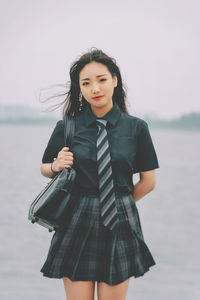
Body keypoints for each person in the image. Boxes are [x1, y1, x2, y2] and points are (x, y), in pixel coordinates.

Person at [40, 47, 159, 300]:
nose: (95, 88)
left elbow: (148, 182)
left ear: (115, 81)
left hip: (120, 222)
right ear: (79, 89)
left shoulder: (137, 128)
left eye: (102, 80)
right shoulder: (67, 126)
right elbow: (44, 168)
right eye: (86, 83)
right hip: (75, 220)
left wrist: (115, 204)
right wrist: (56, 165)